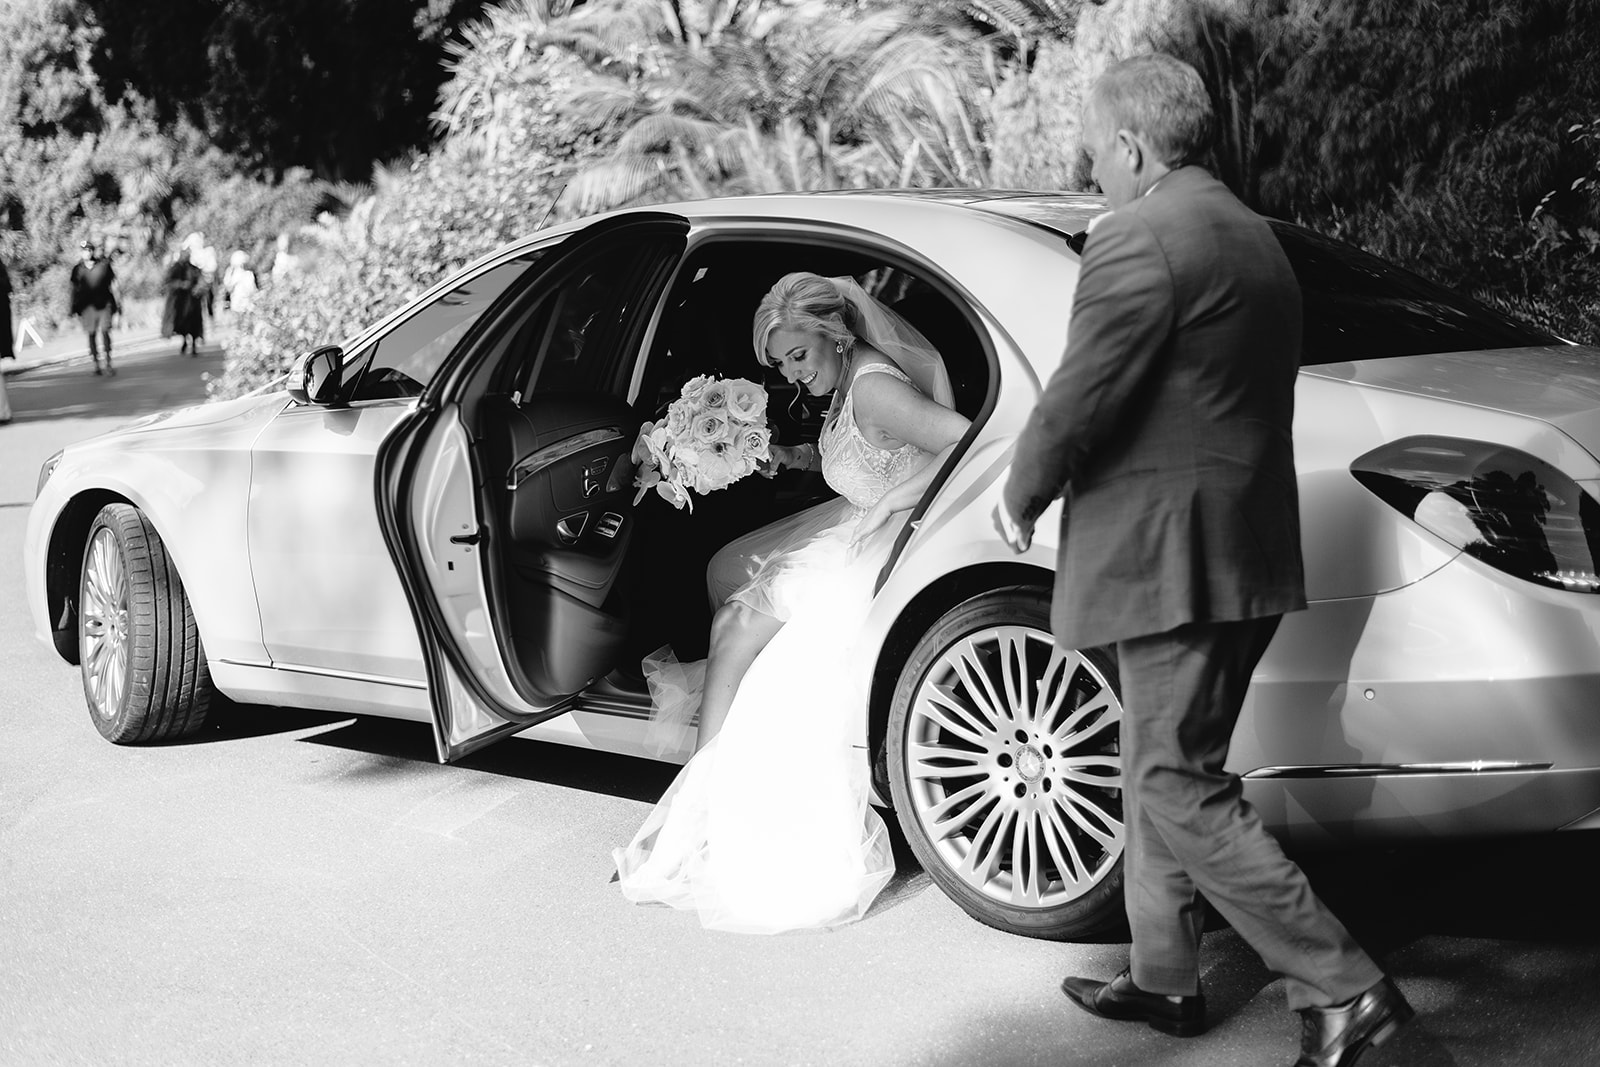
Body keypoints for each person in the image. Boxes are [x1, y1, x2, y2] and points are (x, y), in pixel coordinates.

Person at [994, 54, 1412, 1067]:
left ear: (1132, 148)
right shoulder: (1254, 235)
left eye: (1096, 154)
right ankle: (1164, 973)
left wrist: (1021, 488)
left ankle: (1340, 985)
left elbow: (1084, 390)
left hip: (1169, 553)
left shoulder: (1138, 233)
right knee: (1161, 763)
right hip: (1244, 545)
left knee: (1177, 781)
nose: (1094, 170)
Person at [614, 271, 969, 934]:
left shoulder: (876, 386)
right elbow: (855, 451)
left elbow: (965, 438)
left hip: (882, 542)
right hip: (857, 523)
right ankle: (703, 809)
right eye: (780, 364)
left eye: (799, 357)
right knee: (731, 599)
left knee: (736, 622)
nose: (793, 376)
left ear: (837, 334)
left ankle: (702, 819)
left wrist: (892, 501)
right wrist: (785, 455)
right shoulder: (851, 377)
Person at [69, 240, 119, 377]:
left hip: (104, 304)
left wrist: (118, 304)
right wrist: (71, 307)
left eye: (90, 250)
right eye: (84, 250)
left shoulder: (104, 266)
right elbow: (73, 289)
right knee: (91, 334)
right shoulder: (78, 269)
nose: (87, 253)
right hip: (87, 307)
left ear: (93, 251)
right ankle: (96, 363)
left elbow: (114, 284)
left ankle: (108, 362)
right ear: (81, 252)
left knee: (105, 331)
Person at [160, 246, 206, 355]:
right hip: (181, 302)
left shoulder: (194, 269)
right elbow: (169, 282)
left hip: (193, 301)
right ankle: (185, 341)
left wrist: (198, 288)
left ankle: (194, 345)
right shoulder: (176, 268)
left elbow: (201, 281)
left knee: (194, 324)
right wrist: (181, 284)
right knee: (184, 324)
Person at [222, 250, 258, 314]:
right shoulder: (245, 274)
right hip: (240, 306)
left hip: (243, 305)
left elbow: (252, 290)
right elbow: (252, 290)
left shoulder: (247, 274)